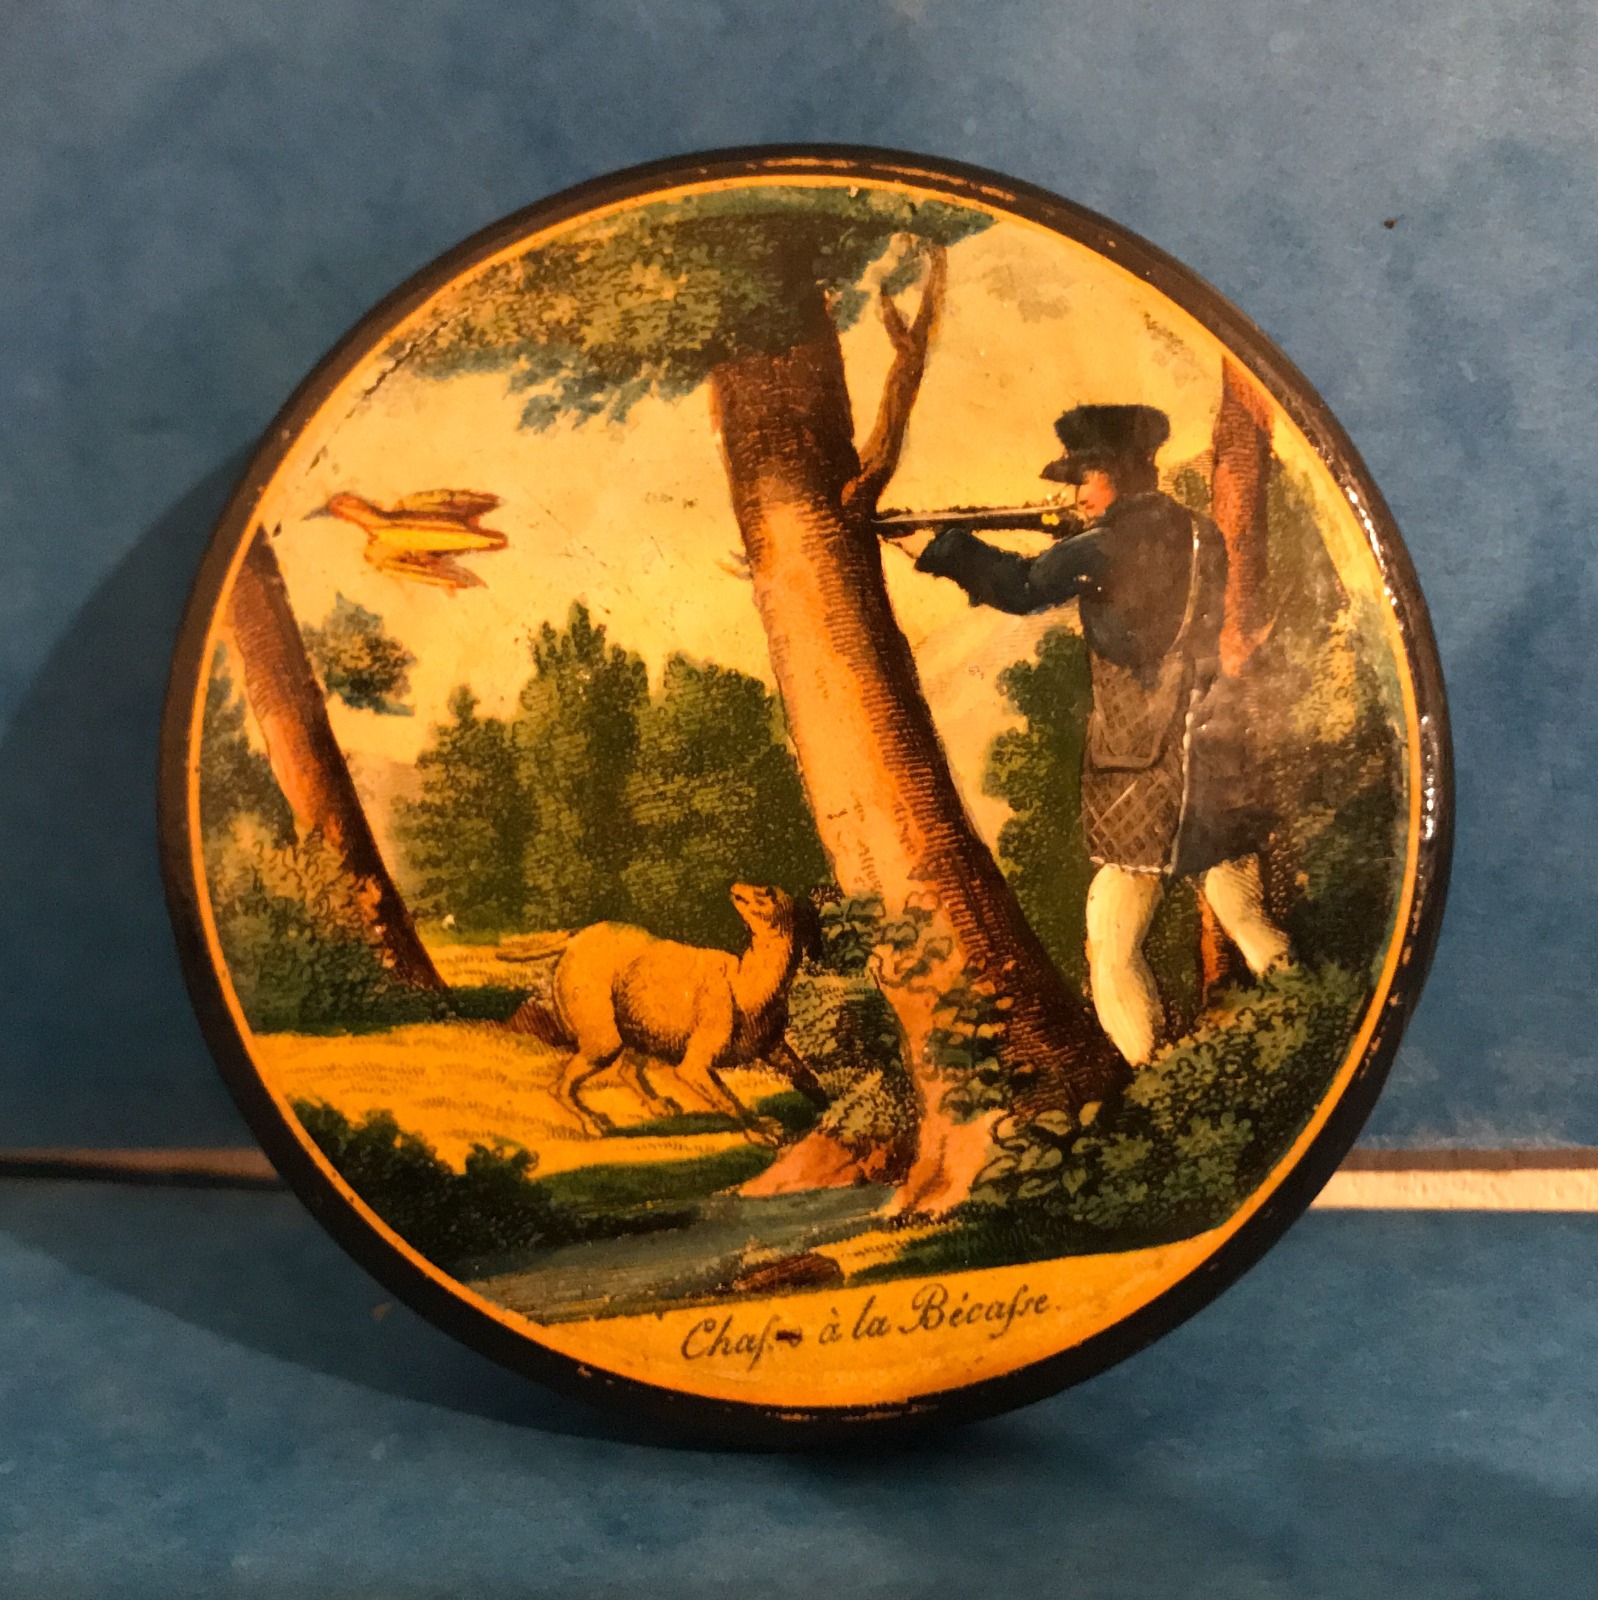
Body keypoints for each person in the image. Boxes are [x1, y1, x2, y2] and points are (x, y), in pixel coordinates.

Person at [891, 403, 1291, 1066]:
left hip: (1146, 760)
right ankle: (1302, 1011)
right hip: (1216, 750)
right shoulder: (1198, 532)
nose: (1077, 494)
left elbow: (1024, 586)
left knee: (1111, 940)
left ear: (1121, 472)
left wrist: (942, 547)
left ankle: (1147, 1077)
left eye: (1087, 477)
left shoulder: (1110, 543)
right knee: (1245, 914)